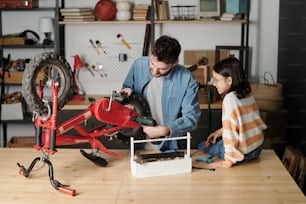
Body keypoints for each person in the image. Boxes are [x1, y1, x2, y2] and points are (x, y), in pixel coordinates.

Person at [121, 35, 201, 152]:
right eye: (152, 64)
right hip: (139, 144)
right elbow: (127, 88)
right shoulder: (138, 64)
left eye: (162, 69)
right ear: (151, 54)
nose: (154, 71)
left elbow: (191, 118)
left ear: (175, 63)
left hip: (170, 146)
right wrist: (126, 91)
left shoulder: (187, 79)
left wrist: (166, 130)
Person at [198, 57, 267, 168]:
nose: (214, 84)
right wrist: (219, 132)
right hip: (257, 149)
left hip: (243, 154)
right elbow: (241, 124)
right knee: (218, 141)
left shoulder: (229, 100)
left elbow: (231, 133)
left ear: (229, 80)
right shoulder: (248, 94)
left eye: (216, 80)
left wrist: (228, 161)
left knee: (202, 146)